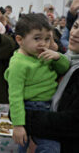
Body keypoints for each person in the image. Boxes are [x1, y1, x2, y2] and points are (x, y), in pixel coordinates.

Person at [4, 13, 69, 153]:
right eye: (37, 38)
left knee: (43, 147)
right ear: (20, 40)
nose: (43, 43)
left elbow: (64, 68)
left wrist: (57, 57)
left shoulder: (44, 54)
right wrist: (18, 125)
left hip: (49, 108)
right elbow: (15, 96)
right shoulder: (18, 63)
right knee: (43, 147)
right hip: (30, 107)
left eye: (47, 39)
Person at [24, 17, 79, 152]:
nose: (75, 34)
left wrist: (24, 117)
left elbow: (72, 122)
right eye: (76, 26)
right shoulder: (66, 60)